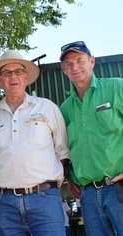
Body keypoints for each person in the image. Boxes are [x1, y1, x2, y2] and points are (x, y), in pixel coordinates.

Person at [0, 49, 69, 236]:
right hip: (5, 204)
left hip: (45, 199)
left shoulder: (47, 107)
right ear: (0, 80)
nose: (13, 77)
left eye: (18, 72)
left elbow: (62, 152)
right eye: (7, 72)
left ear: (26, 77)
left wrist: (49, 188)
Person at [60, 41, 123, 235]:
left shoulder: (116, 87)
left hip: (119, 188)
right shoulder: (64, 109)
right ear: (64, 70)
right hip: (88, 196)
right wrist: (70, 177)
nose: (75, 67)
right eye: (69, 64)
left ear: (92, 61)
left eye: (80, 60)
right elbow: (65, 148)